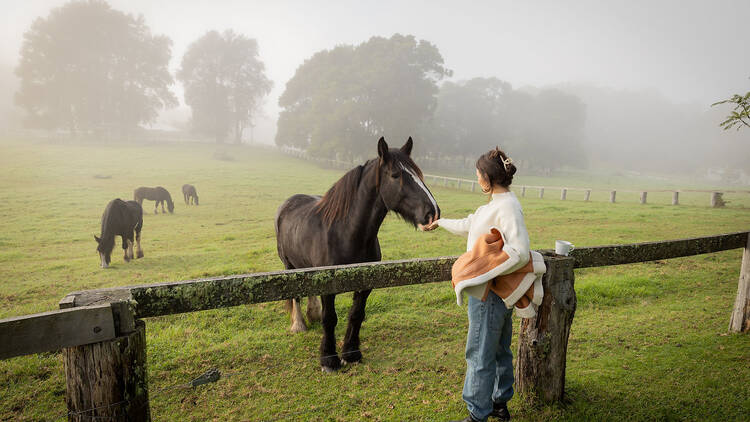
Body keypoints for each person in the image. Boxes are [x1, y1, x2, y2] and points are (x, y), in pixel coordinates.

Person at [421, 147, 531, 422]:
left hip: (489, 293)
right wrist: (441, 222)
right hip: (493, 291)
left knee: (480, 351)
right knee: (497, 349)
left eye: (478, 173)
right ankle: (498, 404)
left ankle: (477, 414)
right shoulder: (497, 204)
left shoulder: (506, 207)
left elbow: (520, 251)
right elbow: (472, 223)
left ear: (488, 178)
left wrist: (486, 273)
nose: (476, 176)